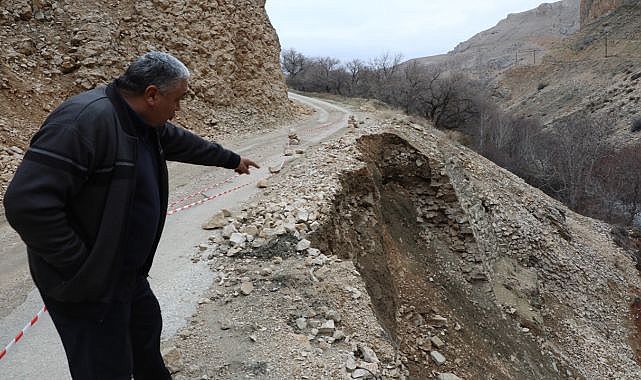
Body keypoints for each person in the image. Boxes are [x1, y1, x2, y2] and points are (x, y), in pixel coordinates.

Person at [3, 51, 259, 379]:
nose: (178, 110)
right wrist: (84, 267)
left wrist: (230, 159)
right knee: (106, 367)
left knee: (145, 340)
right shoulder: (83, 121)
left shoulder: (142, 121)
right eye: (177, 100)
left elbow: (183, 143)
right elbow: (26, 204)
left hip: (125, 275)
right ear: (152, 94)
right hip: (88, 285)